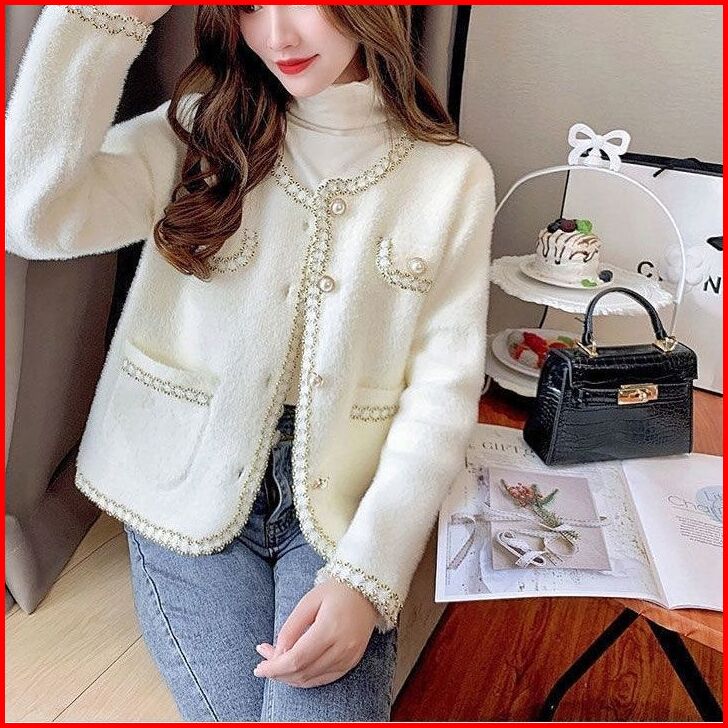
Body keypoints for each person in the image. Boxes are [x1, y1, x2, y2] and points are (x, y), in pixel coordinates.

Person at [6, 4, 496, 722]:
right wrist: (99, 21)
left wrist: (367, 578)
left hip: (341, 495)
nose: (277, 36)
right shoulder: (197, 134)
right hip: (179, 477)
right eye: (249, 7)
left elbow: (441, 395)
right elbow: (33, 215)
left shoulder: (451, 178)